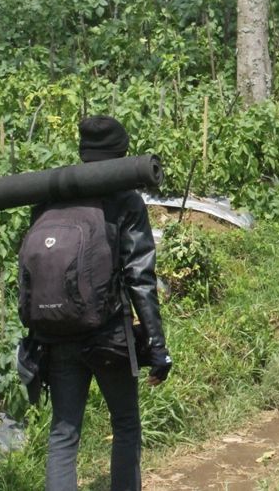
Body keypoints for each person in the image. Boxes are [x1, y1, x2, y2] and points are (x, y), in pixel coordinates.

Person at [41, 115, 172, 491]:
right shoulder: (125, 200)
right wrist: (158, 347)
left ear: (83, 152)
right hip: (109, 335)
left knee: (64, 435)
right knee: (126, 424)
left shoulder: (52, 194)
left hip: (58, 331)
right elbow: (140, 278)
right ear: (120, 154)